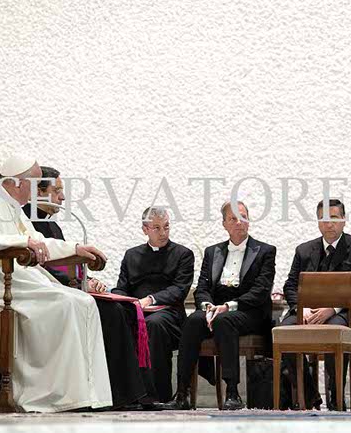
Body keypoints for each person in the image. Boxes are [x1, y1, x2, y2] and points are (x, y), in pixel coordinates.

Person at [0, 155, 111, 412]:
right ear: (16, 183)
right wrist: (19, 243)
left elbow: (38, 241)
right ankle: (40, 394)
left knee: (83, 301)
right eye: (34, 185)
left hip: (10, 280)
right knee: (63, 302)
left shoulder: (11, 206)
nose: (37, 192)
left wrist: (76, 247)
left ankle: (79, 395)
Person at [22, 166, 155, 410]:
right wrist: (75, 281)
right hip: (41, 292)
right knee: (111, 313)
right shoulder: (28, 221)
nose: (62, 198)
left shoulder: (51, 225)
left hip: (66, 289)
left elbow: (64, 262)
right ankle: (117, 395)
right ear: (38, 192)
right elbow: (38, 264)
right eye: (57, 191)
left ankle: (129, 393)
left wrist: (87, 279)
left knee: (123, 311)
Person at [162, 201, 276, 410]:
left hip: (248, 310)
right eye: (233, 218)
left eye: (243, 217)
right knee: (193, 321)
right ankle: (182, 393)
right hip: (214, 308)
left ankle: (232, 391)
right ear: (224, 224)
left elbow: (261, 290)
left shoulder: (265, 251)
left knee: (225, 321)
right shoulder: (212, 251)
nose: (239, 222)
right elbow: (202, 286)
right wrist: (206, 306)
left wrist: (228, 306)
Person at [279, 198, 351, 410]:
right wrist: (300, 308)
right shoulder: (304, 250)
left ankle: (336, 396)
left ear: (344, 220)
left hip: (345, 311)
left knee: (335, 330)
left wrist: (332, 308)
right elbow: (290, 285)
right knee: (284, 330)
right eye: (323, 218)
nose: (329, 223)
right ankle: (310, 393)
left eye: (334, 217)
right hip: (307, 310)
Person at [112, 207, 195, 402]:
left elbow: (179, 290)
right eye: (156, 228)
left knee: (154, 324)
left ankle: (156, 395)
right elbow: (122, 287)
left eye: (166, 227)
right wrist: (118, 298)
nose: (163, 233)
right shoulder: (131, 255)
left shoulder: (183, 254)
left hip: (169, 315)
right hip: (137, 311)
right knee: (114, 317)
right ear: (145, 230)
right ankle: (122, 396)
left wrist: (150, 300)